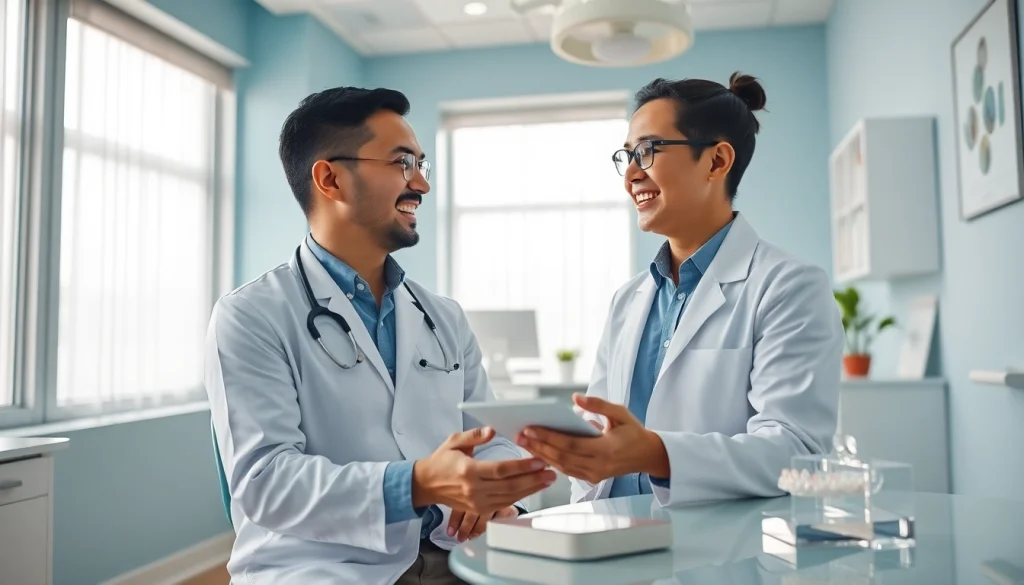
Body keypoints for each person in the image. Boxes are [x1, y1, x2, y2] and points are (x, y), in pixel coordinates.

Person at [204, 87, 555, 584]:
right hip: (323, 565)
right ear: (330, 178)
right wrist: (417, 483)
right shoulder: (252, 315)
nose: (422, 185)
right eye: (403, 163)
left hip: (454, 553)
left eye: (422, 165)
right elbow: (267, 483)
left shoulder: (444, 316)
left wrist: (492, 493)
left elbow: (490, 438)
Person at [515, 72, 844, 507]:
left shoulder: (788, 287)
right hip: (612, 541)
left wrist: (657, 453)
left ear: (716, 161)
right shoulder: (627, 301)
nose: (631, 173)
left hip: (717, 554)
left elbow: (797, 454)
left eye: (648, 151)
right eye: (627, 155)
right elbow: (599, 432)